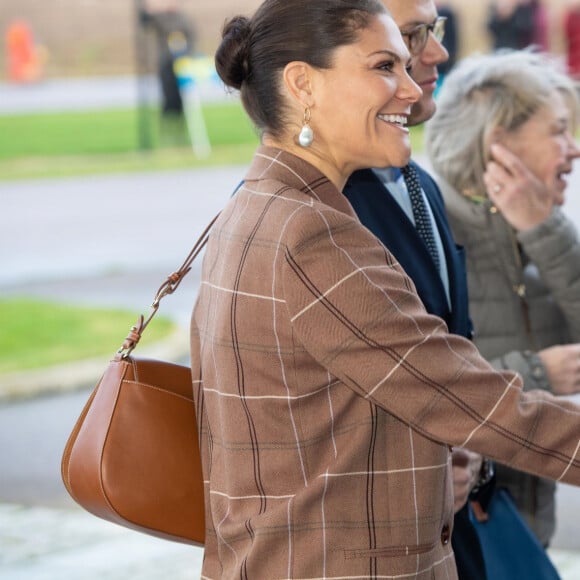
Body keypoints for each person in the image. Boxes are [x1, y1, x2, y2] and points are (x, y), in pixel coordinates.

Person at [192, 1, 580, 577]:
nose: (409, 89)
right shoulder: (312, 234)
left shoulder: (264, 203)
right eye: (382, 67)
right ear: (303, 84)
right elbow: (461, 392)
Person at [343, 1, 486, 577]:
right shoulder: (314, 213)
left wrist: (469, 455)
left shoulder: (417, 180)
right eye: (405, 41)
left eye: (434, 31)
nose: (435, 54)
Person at [426, 49, 580, 549]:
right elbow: (414, 385)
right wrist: (535, 373)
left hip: (528, 528)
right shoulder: (432, 234)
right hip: (464, 538)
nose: (573, 148)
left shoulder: (533, 230)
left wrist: (545, 230)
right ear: (499, 145)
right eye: (557, 130)